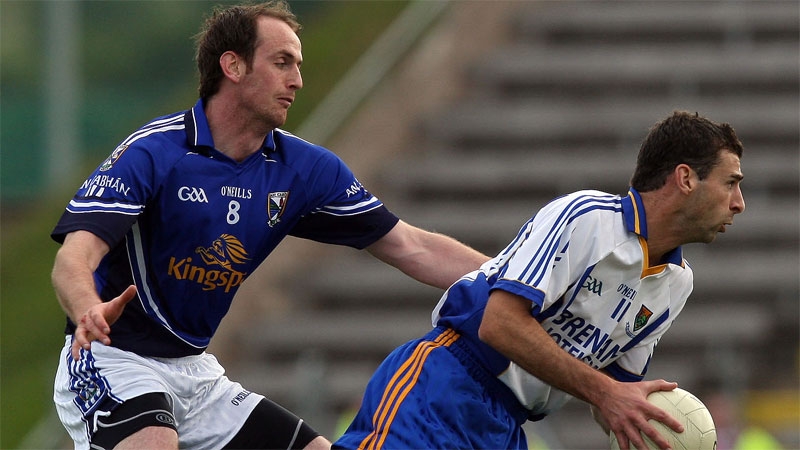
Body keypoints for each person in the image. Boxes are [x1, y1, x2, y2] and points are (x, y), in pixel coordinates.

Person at [50, 2, 489, 449]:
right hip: (112, 358)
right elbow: (73, 257)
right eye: (282, 63)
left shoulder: (304, 169)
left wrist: (515, 279)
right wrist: (88, 308)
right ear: (233, 65)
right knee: (155, 441)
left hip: (195, 373)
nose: (297, 80)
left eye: (297, 65)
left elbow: (412, 246)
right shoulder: (154, 153)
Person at [333, 110, 746, 450]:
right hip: (443, 389)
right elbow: (500, 323)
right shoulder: (587, 218)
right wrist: (606, 394)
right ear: (686, 178)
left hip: (507, 429)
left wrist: (650, 429)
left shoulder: (676, 284)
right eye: (730, 183)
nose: (738, 203)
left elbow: (614, 395)